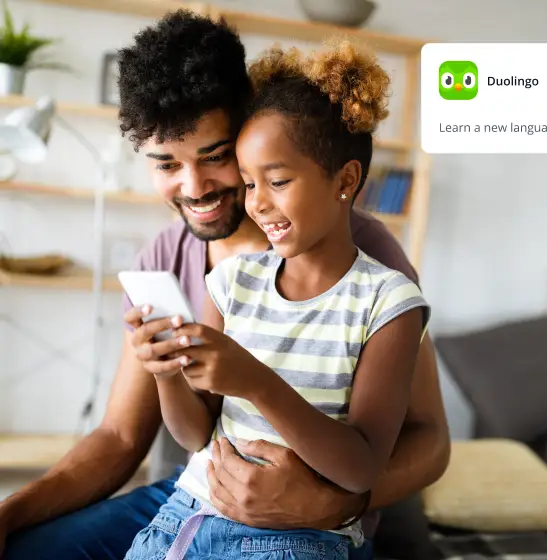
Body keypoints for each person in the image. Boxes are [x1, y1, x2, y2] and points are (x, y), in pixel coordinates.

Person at [0, 10, 450, 560]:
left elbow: (429, 440)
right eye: (166, 164)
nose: (195, 188)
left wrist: (328, 506)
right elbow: (122, 437)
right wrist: (9, 514)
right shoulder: (172, 260)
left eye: (215, 158)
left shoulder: (367, 260)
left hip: (324, 517)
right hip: (195, 495)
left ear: (244, 134)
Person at [124, 39, 431, 560]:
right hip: (190, 512)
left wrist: (258, 383)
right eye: (247, 182)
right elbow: (194, 434)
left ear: (346, 180)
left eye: (278, 180)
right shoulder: (232, 283)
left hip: (297, 539)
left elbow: (360, 468)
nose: (256, 202)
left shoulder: (388, 301)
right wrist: (165, 372)